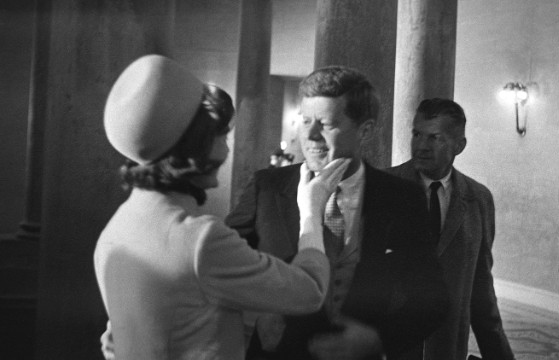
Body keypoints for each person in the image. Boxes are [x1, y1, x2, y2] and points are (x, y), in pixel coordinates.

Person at [95, 54, 352, 360]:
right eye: (221, 136)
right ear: (196, 146)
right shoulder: (200, 240)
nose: (227, 148)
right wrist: (311, 212)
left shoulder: (114, 231)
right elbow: (309, 291)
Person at [225, 66, 449, 360]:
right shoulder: (267, 188)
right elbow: (223, 267)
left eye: (326, 124)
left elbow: (433, 297)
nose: (311, 136)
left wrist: (378, 340)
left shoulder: (402, 198)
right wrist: (256, 311)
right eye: (305, 121)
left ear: (365, 130)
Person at [387, 98, 514, 360]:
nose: (421, 145)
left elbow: (481, 287)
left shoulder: (477, 199)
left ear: (459, 146)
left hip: (446, 347)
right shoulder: (383, 187)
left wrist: (499, 354)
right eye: (416, 134)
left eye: (435, 138)